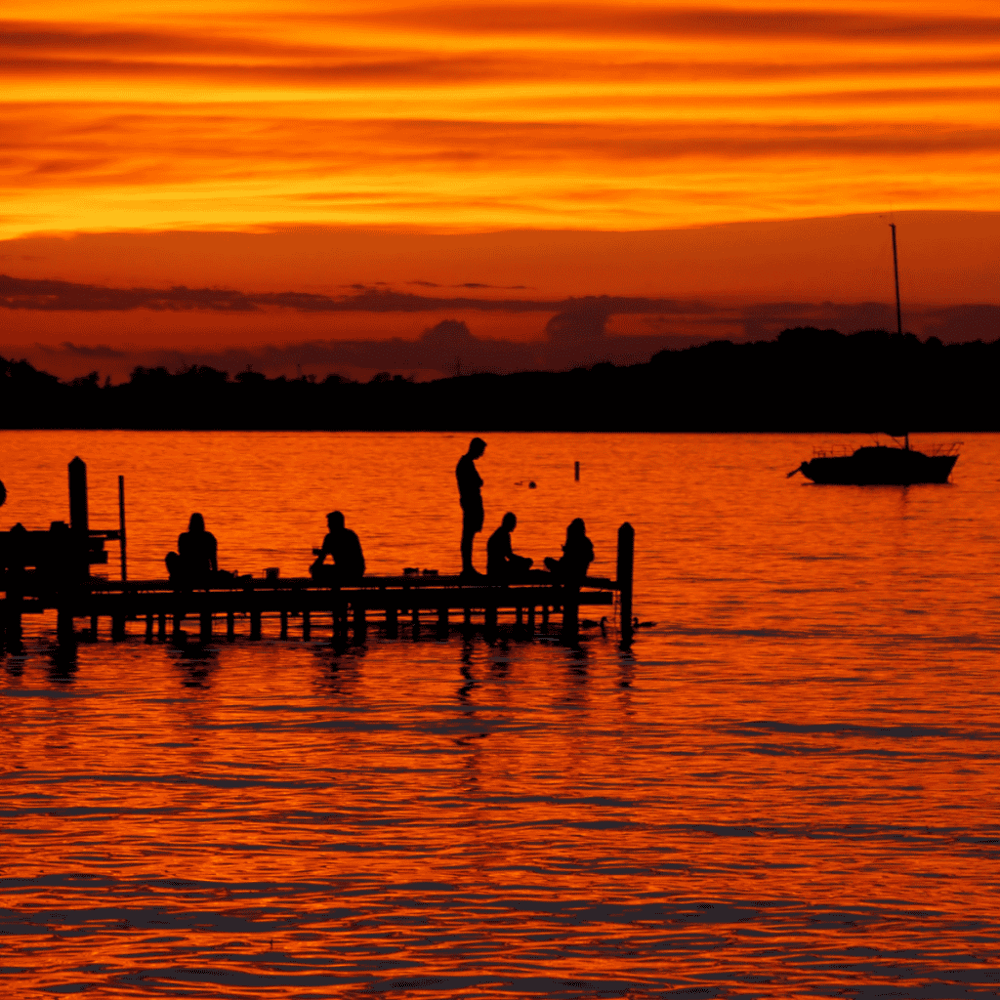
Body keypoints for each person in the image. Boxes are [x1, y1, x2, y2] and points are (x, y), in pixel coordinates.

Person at [456, 436, 486, 576]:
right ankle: (467, 568)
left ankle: (468, 567)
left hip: (470, 503)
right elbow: (477, 482)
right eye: (481, 450)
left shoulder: (467, 463)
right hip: (470, 504)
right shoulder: (465, 464)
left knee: (469, 536)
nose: (482, 454)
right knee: (468, 536)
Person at [310, 511, 365, 585]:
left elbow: (322, 557)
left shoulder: (333, 537)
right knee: (317, 570)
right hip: (355, 572)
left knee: (316, 570)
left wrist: (320, 556)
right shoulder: (351, 534)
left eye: (330, 523)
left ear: (337, 523)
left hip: (350, 571)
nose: (328, 525)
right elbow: (323, 556)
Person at [166, 512, 218, 585]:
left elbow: (182, 555)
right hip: (203, 571)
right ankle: (178, 577)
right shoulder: (209, 537)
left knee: (170, 556)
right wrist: (214, 574)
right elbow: (213, 559)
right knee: (171, 555)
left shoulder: (183, 537)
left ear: (190, 524)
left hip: (187, 572)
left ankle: (176, 577)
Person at [486, 512, 533, 581]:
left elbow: (508, 555)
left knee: (524, 562)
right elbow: (509, 555)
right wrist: (522, 560)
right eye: (514, 523)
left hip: (492, 568)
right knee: (528, 562)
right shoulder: (504, 535)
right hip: (498, 569)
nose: (515, 525)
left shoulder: (499, 533)